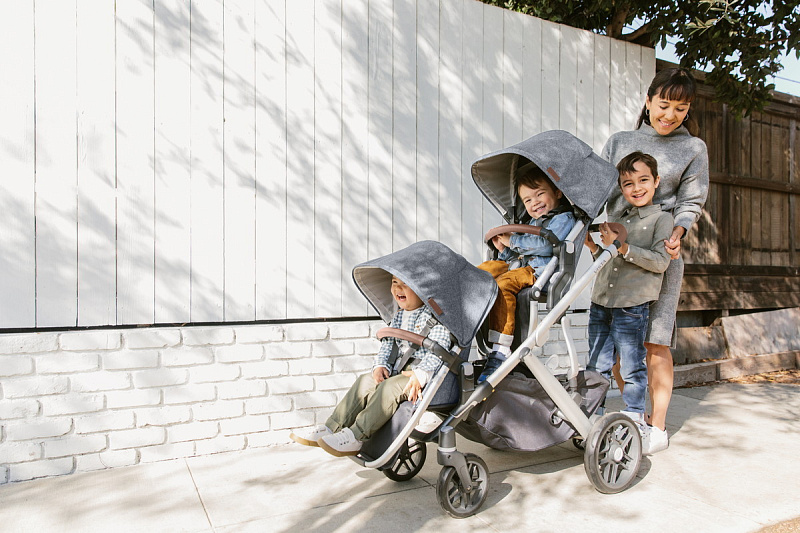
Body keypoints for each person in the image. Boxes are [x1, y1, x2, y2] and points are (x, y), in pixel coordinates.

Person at [602, 67, 709, 454]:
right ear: (648, 102)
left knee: (655, 341)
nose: (670, 114)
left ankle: (658, 428)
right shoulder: (620, 142)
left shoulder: (693, 148)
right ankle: (637, 415)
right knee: (619, 344)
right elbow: (597, 191)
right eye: (664, 104)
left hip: (663, 253)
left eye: (680, 108)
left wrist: (678, 233)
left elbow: (691, 201)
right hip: (619, 254)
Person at [289, 275, 452, 457]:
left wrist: (420, 375)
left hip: (421, 375)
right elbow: (388, 345)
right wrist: (380, 366)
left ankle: (355, 436)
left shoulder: (434, 318)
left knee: (389, 388)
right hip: (398, 370)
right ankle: (332, 427)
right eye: (395, 283)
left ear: (422, 290)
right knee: (365, 381)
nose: (398, 288)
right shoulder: (398, 316)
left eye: (405, 284)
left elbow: (440, 349)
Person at [585, 152, 673, 454]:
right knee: (597, 364)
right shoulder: (619, 220)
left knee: (632, 366)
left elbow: (661, 262)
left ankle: (635, 420)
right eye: (628, 183)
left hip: (631, 304)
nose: (636, 188)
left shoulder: (662, 219)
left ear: (656, 181)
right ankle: (592, 419)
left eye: (643, 180)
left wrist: (622, 247)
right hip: (602, 301)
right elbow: (609, 262)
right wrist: (594, 247)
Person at [476, 165, 576, 383]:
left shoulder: (564, 218)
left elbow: (545, 246)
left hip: (539, 272)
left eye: (540, 194)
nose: (534, 203)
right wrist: (504, 248)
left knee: (503, 285)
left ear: (557, 192)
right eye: (528, 200)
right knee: (480, 275)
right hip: (519, 267)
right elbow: (520, 252)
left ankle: (501, 349)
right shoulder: (531, 222)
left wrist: (513, 240)